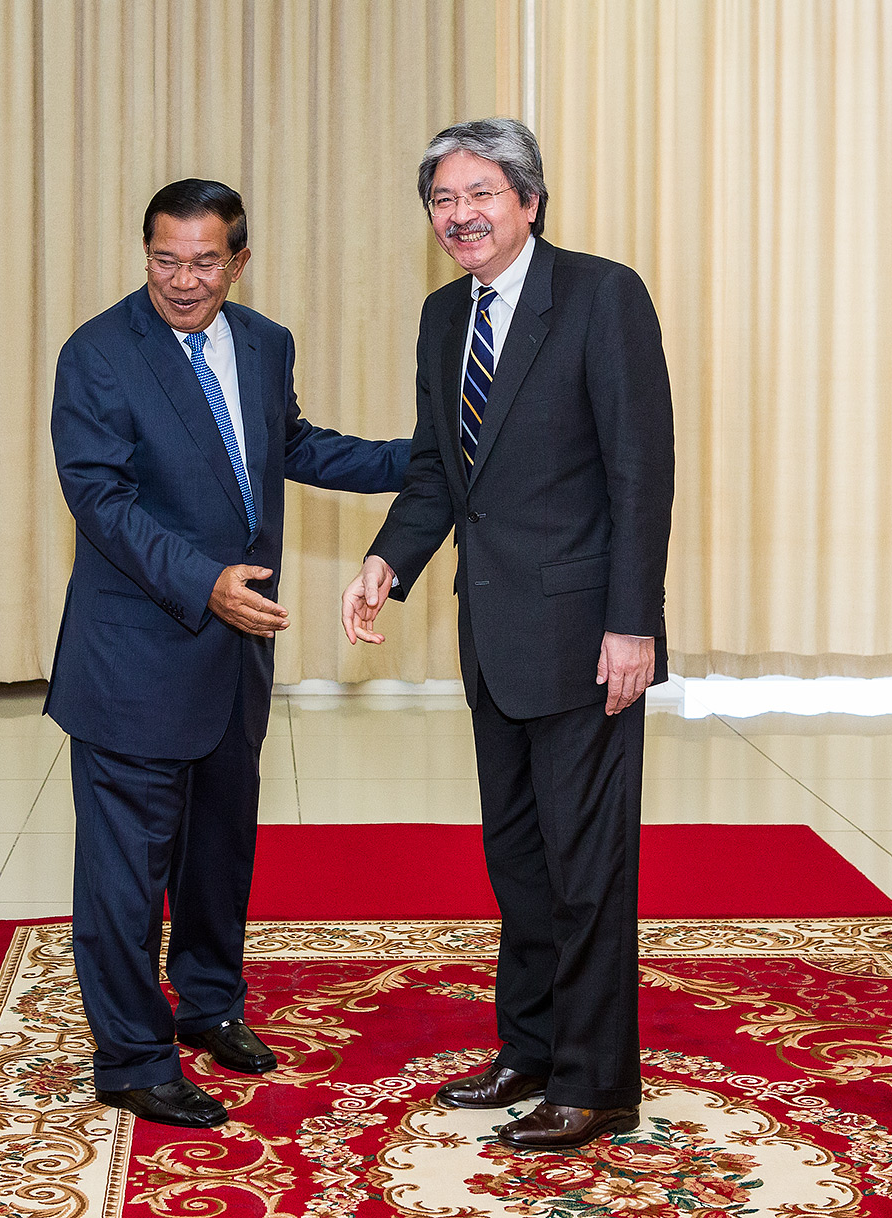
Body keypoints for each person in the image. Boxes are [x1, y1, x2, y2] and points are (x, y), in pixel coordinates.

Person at [341, 118, 675, 1151]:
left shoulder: (601, 295)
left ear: (529, 200)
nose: (460, 216)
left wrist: (633, 623)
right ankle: (528, 1049)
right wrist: (389, 561)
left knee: (586, 871)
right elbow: (445, 472)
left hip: (586, 640)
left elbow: (638, 470)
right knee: (519, 863)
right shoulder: (447, 317)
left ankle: (595, 1083)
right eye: (443, 199)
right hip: (493, 641)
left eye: (481, 193)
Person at [48, 179, 408, 1129]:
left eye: (205, 261)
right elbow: (100, 499)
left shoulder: (261, 342)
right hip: (136, 659)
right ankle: (130, 1057)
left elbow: (289, 446)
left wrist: (431, 459)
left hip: (235, 658)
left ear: (238, 260)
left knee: (218, 855)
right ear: (146, 254)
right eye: (165, 259)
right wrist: (204, 579)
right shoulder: (98, 353)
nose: (182, 280)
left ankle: (208, 1005)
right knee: (127, 876)